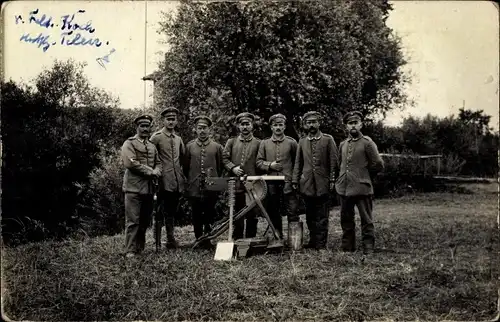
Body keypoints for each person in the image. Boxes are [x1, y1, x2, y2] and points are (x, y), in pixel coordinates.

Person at [335, 111, 384, 255]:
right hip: (344, 188)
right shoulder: (343, 144)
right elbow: (340, 163)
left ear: (361, 125)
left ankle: (368, 247)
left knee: (366, 219)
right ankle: (347, 247)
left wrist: (364, 175)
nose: (353, 126)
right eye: (350, 123)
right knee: (346, 218)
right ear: (346, 126)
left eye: (356, 123)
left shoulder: (367, 143)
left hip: (362, 187)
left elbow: (378, 164)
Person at [292, 110, 338, 250]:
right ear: (305, 125)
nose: (311, 125)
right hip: (306, 184)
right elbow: (298, 163)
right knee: (310, 215)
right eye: (308, 123)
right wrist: (295, 180)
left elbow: (333, 162)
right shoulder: (302, 141)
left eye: (314, 122)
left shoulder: (328, 140)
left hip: (323, 183)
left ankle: (321, 244)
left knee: (322, 215)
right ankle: (312, 241)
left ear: (319, 123)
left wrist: (331, 180)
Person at [121, 114, 162, 258]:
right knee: (133, 221)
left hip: (149, 189)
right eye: (142, 126)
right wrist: (151, 172)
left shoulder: (151, 146)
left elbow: (158, 162)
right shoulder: (129, 143)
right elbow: (130, 163)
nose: (145, 129)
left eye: (147, 126)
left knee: (144, 220)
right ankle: (129, 250)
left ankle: (139, 247)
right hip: (133, 188)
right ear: (137, 127)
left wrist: (158, 170)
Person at [184, 115, 224, 248]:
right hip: (194, 186)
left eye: (205, 128)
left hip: (211, 185)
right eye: (199, 128)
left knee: (209, 212)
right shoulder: (189, 146)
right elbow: (185, 167)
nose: (202, 131)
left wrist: (214, 179)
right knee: (196, 213)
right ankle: (198, 238)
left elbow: (220, 166)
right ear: (195, 129)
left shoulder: (217, 147)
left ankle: (208, 239)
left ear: (209, 130)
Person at [256, 113, 299, 238]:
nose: (278, 127)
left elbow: (297, 162)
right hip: (271, 182)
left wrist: (294, 180)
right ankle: (278, 237)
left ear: (285, 126)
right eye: (275, 125)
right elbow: (258, 162)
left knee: (292, 210)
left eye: (281, 125)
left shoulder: (292, 143)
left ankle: (294, 239)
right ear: (271, 127)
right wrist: (270, 165)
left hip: (288, 181)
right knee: (274, 211)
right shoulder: (264, 143)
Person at [150, 107, 186, 248]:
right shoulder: (156, 137)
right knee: (158, 211)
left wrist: (181, 176)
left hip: (175, 181)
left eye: (173, 119)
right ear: (163, 120)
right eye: (168, 119)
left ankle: (171, 239)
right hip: (161, 181)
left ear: (176, 121)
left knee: (171, 210)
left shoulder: (178, 139)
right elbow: (150, 157)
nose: (171, 122)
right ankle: (157, 241)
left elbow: (183, 158)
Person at [222, 112, 261, 240]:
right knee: (237, 212)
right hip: (236, 184)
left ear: (252, 126)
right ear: (238, 126)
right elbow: (225, 158)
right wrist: (233, 168)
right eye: (242, 124)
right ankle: (237, 238)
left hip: (252, 184)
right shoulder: (231, 142)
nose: (245, 127)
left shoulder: (259, 143)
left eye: (247, 124)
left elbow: (261, 162)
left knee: (252, 213)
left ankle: (250, 239)